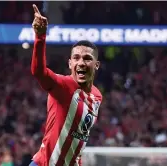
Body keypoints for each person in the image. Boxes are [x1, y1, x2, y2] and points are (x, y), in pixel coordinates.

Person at [30, 4, 103, 166]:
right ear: (70, 63)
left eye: (87, 58)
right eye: (76, 58)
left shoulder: (97, 96)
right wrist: (40, 37)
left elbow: (78, 138)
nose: (81, 62)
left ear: (96, 65)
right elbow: (39, 72)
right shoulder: (63, 85)